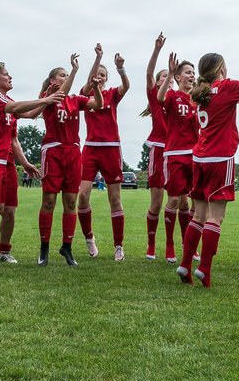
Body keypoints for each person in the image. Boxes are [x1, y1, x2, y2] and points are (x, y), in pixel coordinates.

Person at [176, 53, 239, 287]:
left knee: (198, 216)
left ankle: (185, 264)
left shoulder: (199, 94)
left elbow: (225, 100)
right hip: (220, 159)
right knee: (215, 218)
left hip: (199, 158)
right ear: (222, 68)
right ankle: (205, 270)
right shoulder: (227, 86)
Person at [0, 62, 62, 270]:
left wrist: (47, 97)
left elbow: (29, 113)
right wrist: (46, 98)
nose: (10, 77)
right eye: (6, 74)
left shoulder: (5, 100)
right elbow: (17, 108)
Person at [35, 48, 102, 267]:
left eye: (66, 74)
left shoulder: (75, 100)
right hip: (53, 150)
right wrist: (73, 72)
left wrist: (97, 89)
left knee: (71, 201)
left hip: (73, 151)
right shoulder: (48, 98)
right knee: (49, 200)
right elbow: (46, 102)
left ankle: (67, 247)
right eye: (61, 74)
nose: (66, 77)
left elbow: (98, 105)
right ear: (52, 80)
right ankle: (44, 247)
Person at [77, 48, 130, 261]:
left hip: (111, 147)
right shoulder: (84, 95)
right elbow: (88, 84)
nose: (98, 76)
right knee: (82, 195)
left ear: (106, 78)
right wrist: (98, 57)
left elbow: (126, 86)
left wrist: (120, 68)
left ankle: (119, 245)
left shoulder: (112, 95)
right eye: (95, 73)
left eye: (102, 74)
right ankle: (89, 238)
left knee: (114, 198)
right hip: (90, 148)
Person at [161, 53, 199, 263]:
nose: (192, 75)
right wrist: (168, 74)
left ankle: (188, 244)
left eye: (194, 72)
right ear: (178, 77)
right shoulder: (172, 95)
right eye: (188, 72)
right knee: (175, 199)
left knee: (190, 202)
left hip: (195, 155)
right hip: (175, 154)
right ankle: (169, 245)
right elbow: (158, 98)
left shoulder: (198, 99)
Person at [140, 32, 170, 260]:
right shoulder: (155, 98)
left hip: (180, 152)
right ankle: (152, 244)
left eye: (171, 76)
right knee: (157, 203)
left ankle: (172, 245)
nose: (167, 79)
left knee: (180, 202)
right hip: (159, 151)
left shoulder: (182, 97)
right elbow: (149, 73)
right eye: (164, 77)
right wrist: (157, 50)